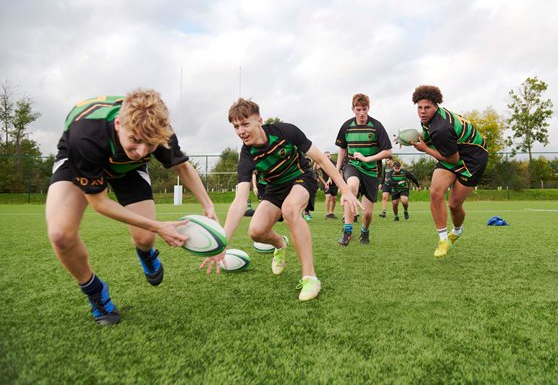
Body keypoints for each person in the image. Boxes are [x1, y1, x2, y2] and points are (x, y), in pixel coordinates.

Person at [46, 90, 218, 325]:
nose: (142, 152)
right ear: (118, 123)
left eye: (151, 145)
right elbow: (99, 202)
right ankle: (95, 292)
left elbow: (181, 166)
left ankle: (146, 253)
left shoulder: (158, 127)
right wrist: (159, 226)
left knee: (145, 239)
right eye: (135, 140)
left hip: (127, 170)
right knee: (60, 234)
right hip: (81, 159)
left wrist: (208, 205)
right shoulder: (84, 135)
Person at [201, 98, 361, 301]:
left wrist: (345, 189)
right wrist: (221, 243)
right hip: (275, 189)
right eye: (236, 127)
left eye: (245, 124)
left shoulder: (285, 131)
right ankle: (280, 245)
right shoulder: (247, 156)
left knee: (291, 209)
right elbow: (240, 201)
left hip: (301, 177)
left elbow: (321, 159)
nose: (240, 131)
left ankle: (310, 277)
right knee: (256, 231)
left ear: (259, 120)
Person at [408, 85, 488, 258]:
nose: (422, 112)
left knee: (454, 204)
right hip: (453, 152)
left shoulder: (441, 128)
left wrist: (425, 149)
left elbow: (452, 159)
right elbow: (427, 136)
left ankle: (457, 232)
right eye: (419, 107)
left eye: (427, 107)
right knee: (435, 193)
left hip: (473, 160)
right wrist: (410, 139)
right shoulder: (430, 120)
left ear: (436, 106)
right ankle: (443, 240)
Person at [335, 93, 392, 246]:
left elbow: (388, 152)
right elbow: (342, 150)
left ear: (368, 108)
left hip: (371, 171)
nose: (361, 113)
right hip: (352, 165)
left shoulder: (376, 126)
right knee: (351, 186)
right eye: (358, 109)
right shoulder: (347, 126)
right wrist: (336, 171)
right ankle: (347, 231)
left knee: (367, 214)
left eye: (364, 109)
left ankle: (364, 231)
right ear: (353, 109)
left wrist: (367, 159)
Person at [315, 151, 339, 219]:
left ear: (330, 156)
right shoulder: (322, 163)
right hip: (326, 183)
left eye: (328, 156)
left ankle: (331, 213)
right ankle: (327, 214)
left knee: (334, 199)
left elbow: (333, 172)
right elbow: (317, 172)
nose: (327, 158)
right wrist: (316, 164)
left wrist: (330, 179)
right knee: (328, 197)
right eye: (326, 156)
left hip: (334, 183)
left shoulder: (334, 163)